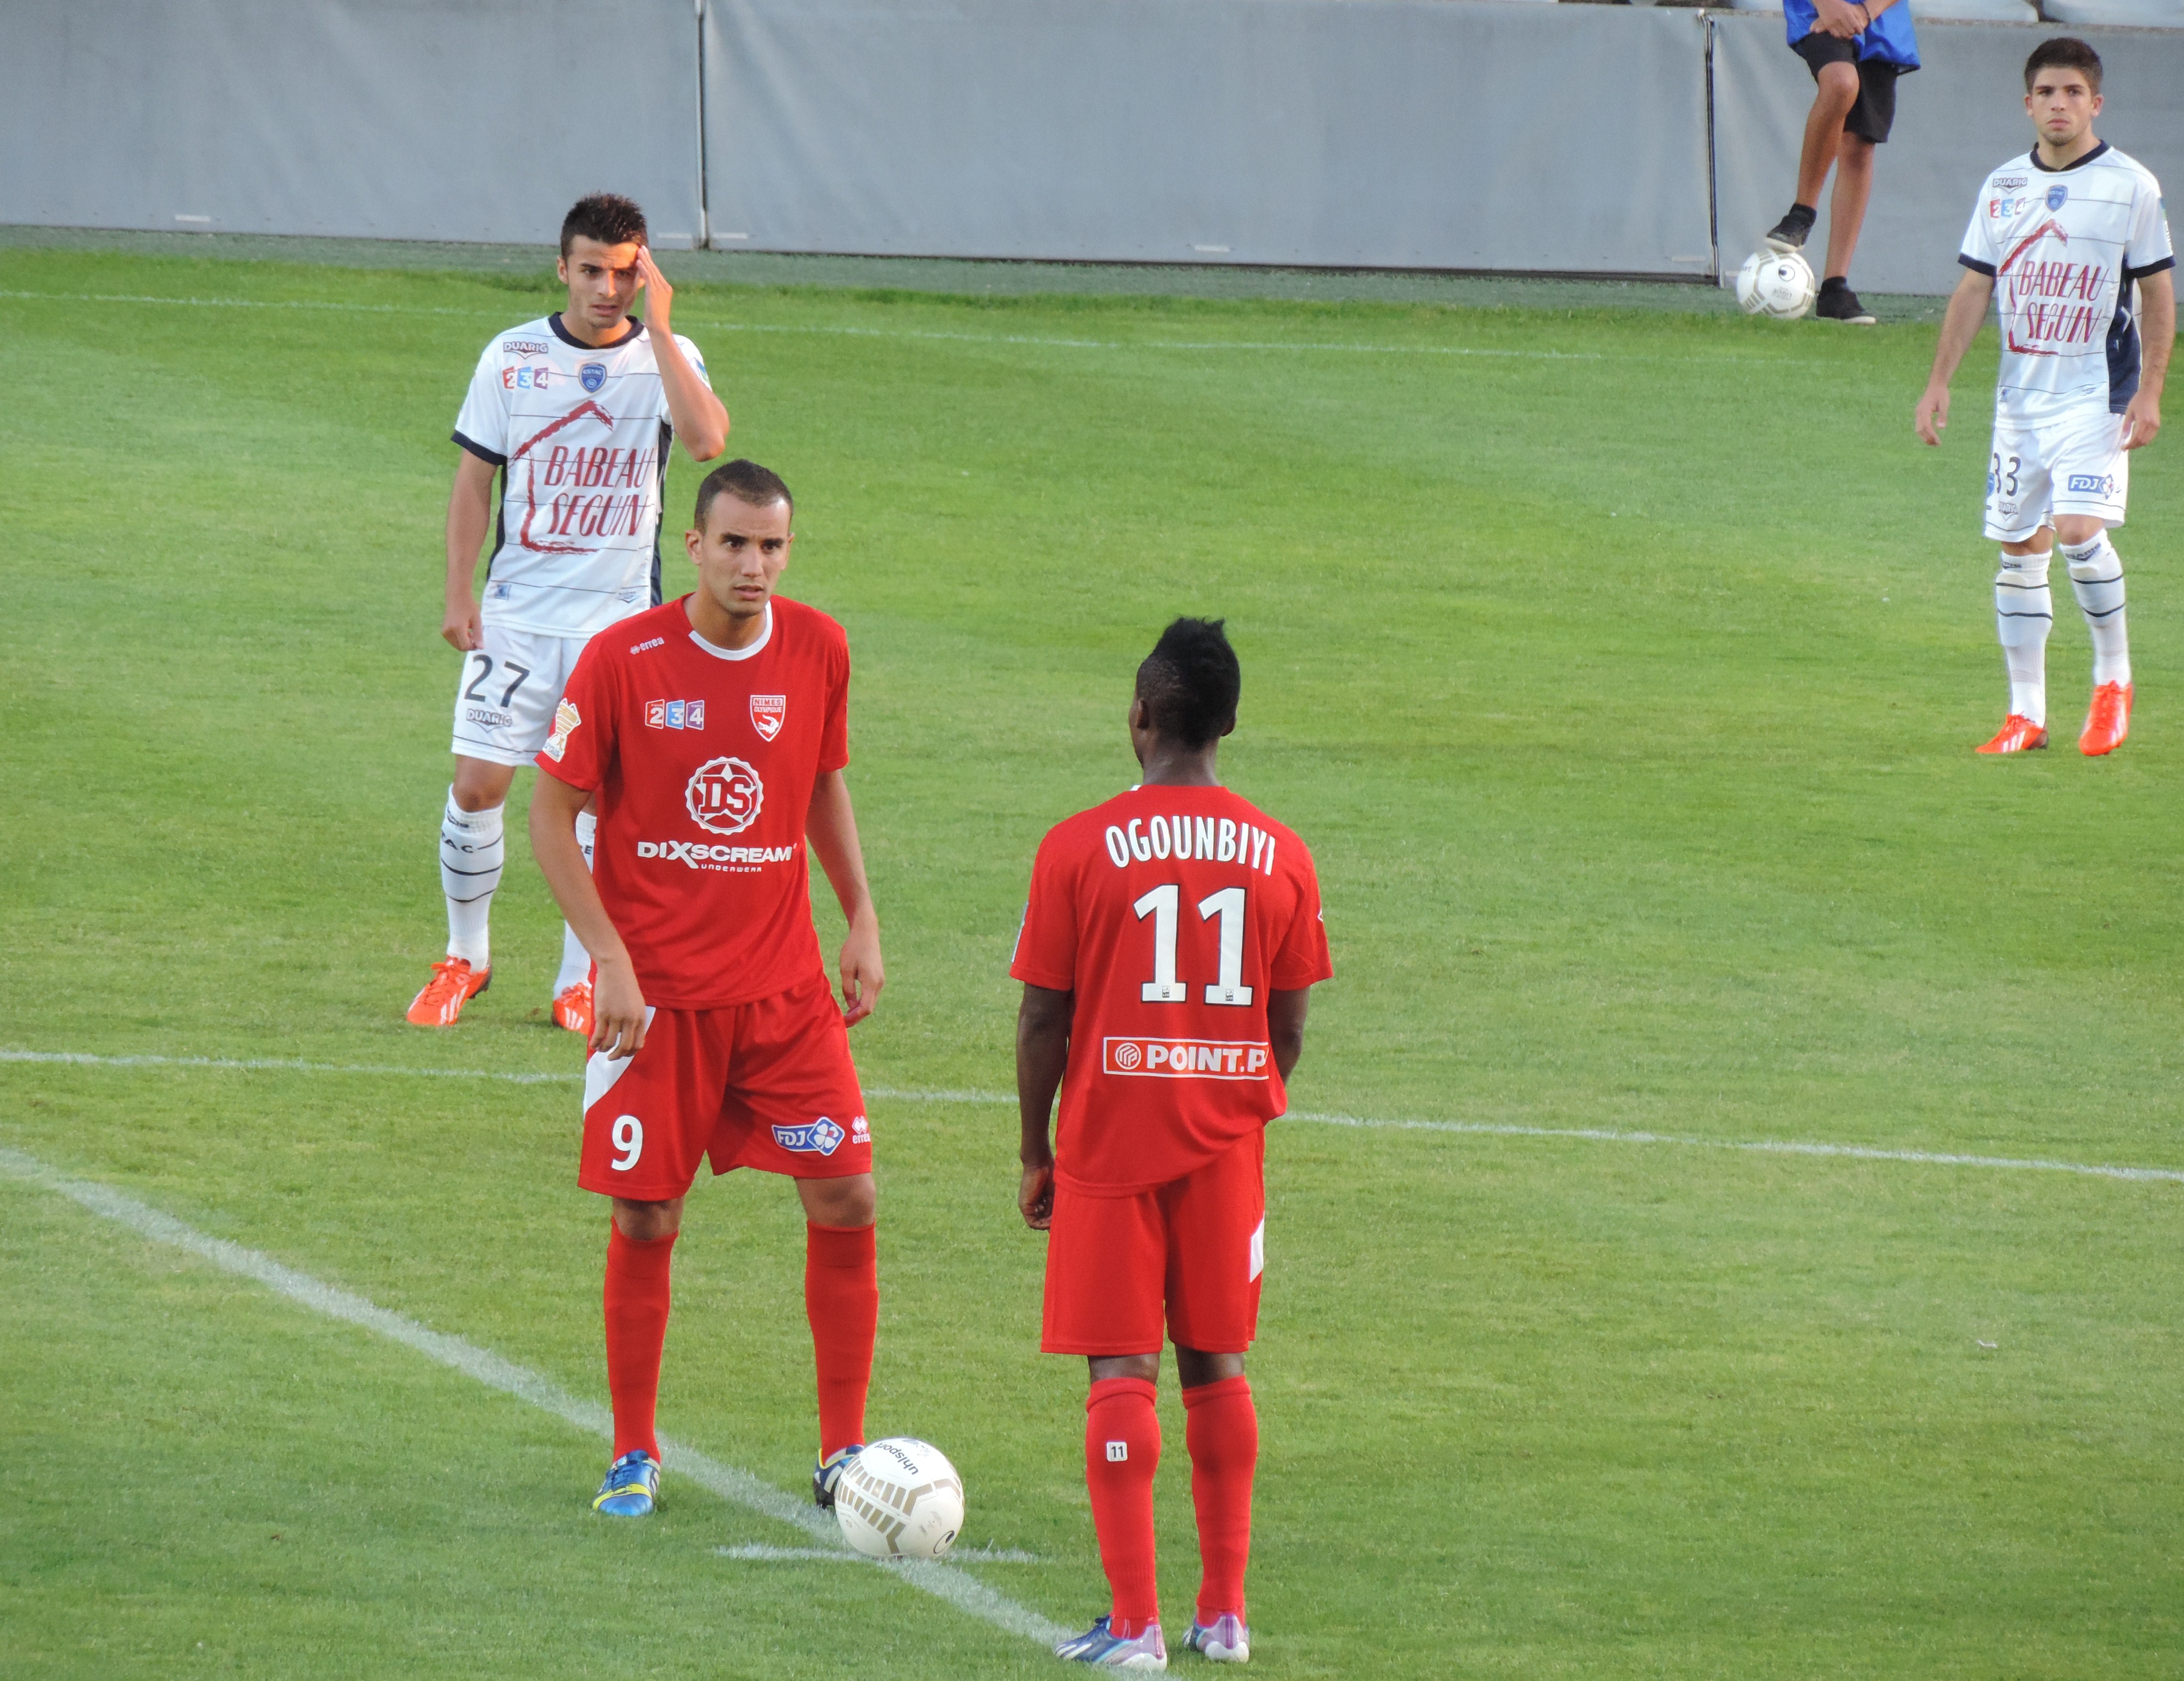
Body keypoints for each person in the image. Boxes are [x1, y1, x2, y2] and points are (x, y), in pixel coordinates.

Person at [527, 459, 885, 1518]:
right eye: (734, 543)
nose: (754, 565)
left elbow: (822, 781)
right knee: (646, 1217)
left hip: (782, 997)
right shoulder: (622, 660)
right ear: (693, 545)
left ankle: (842, 1454)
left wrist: (858, 913)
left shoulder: (818, 648)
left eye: (772, 546)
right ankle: (633, 1452)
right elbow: (551, 817)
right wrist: (610, 958)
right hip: (658, 1001)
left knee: (850, 1194)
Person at [1013, 619, 1332, 1670]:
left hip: (1109, 1136)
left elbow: (1043, 1023)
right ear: (1229, 724)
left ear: (1140, 719)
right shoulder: (1282, 852)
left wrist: (1035, 1149)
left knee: (1121, 1368)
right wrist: (1238, 1098)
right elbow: (1288, 1025)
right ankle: (1225, 1614)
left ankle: (1137, 1626)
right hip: (1227, 1143)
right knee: (1216, 1362)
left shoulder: (1077, 845)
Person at [407, 192, 730, 1031]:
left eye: (624, 274)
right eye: (591, 270)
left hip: (618, 629)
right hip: (515, 619)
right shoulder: (511, 358)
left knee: (595, 805)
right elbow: (475, 482)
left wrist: (660, 330)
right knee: (477, 787)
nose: (606, 289)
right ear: (562, 267)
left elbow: (705, 444)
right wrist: (457, 590)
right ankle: (464, 957)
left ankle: (578, 977)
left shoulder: (670, 353)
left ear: (644, 273)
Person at [1914, 38, 2173, 756]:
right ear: (2027, 103)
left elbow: (2158, 294)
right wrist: (1939, 382)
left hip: (2098, 395)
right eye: (2047, 93)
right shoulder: (2003, 187)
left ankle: (2112, 681)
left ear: (2096, 103)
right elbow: (1974, 287)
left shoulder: (2131, 186)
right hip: (2019, 402)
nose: (2060, 105)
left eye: (2073, 93)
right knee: (2018, 549)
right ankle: (2026, 715)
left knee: (2079, 533)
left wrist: (2151, 392)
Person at [1761, 0, 1920, 326]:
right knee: (1841, 82)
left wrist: (1866, 12)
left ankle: (1835, 288)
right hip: (1819, 10)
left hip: (1880, 19)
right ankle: (1801, 214)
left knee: (1861, 143)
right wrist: (1829, 5)